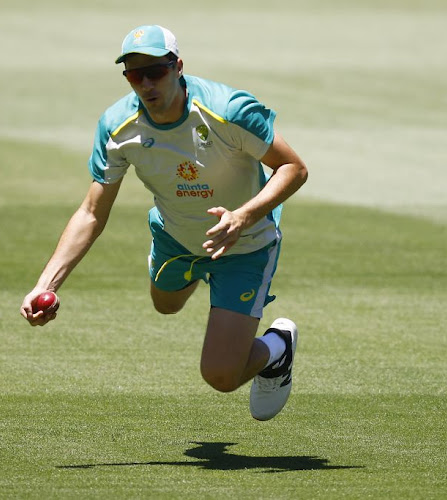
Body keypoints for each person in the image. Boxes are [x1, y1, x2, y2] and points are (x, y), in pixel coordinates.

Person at [21, 25, 308, 421]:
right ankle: (200, 277)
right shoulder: (118, 128)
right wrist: (45, 284)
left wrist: (243, 215)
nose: (146, 84)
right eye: (135, 75)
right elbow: (91, 213)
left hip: (245, 244)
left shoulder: (229, 110)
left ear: (178, 68)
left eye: (155, 71)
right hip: (175, 238)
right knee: (166, 305)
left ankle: (277, 348)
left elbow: (293, 167)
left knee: (222, 376)